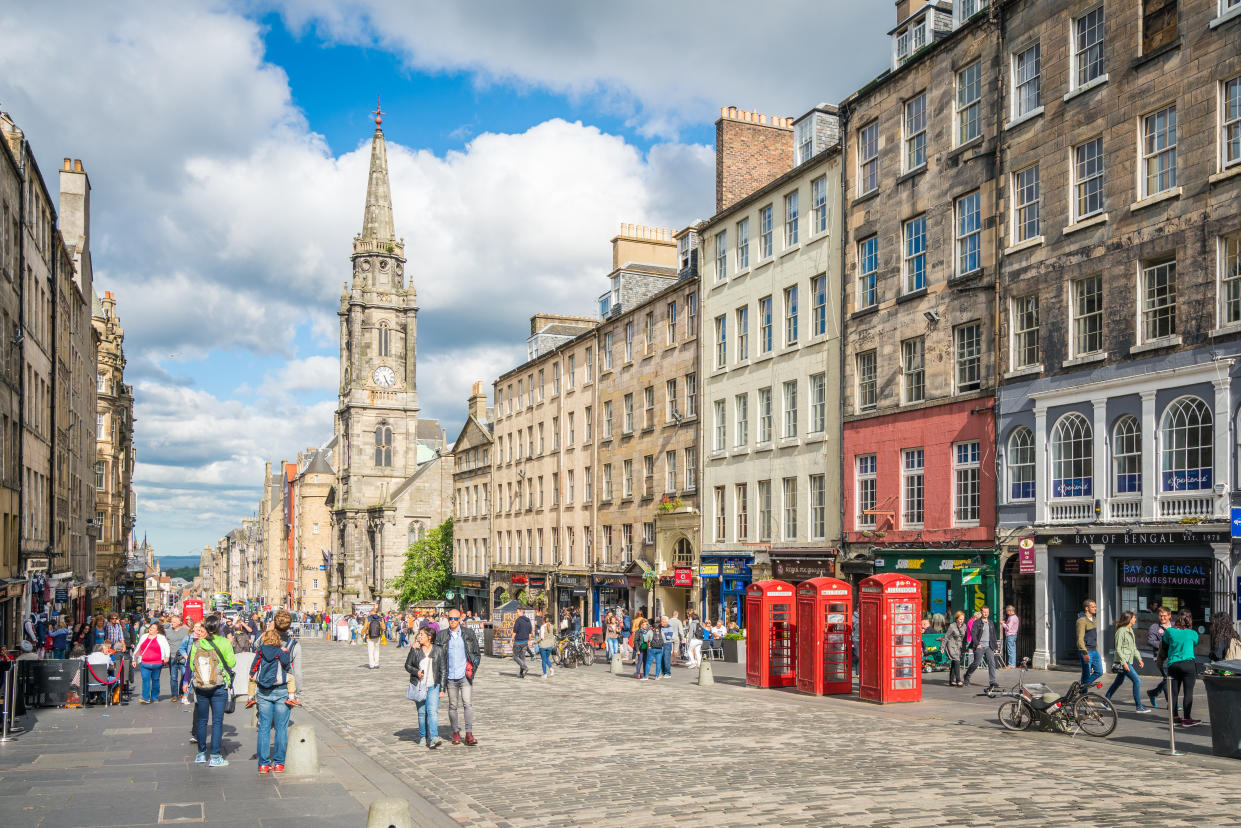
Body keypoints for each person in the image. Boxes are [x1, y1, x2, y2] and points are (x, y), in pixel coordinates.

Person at [189, 616, 237, 767]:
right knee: (217, 722)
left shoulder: (197, 643)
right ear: (218, 628)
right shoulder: (224, 642)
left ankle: (201, 754)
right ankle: (215, 756)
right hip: (219, 686)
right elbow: (232, 663)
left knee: (202, 721)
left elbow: (192, 666)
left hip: (201, 686)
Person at [249, 624, 297, 772]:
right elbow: (286, 663)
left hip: (264, 691)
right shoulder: (280, 650)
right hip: (281, 690)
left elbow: (254, 666)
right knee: (281, 728)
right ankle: (279, 763)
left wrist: (252, 676)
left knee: (264, 727)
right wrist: (284, 651)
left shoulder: (260, 650)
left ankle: (263, 764)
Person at [434, 609, 479, 746]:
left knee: (467, 704)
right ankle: (455, 732)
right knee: (453, 705)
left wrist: (472, 668)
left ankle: (469, 733)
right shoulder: (442, 636)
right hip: (450, 676)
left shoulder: (468, 634)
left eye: (455, 619)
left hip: (465, 676)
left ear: (460, 619)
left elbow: (476, 653)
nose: (452, 621)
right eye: (450, 619)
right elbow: (435, 655)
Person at [405, 627, 444, 749]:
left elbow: (443, 670)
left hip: (433, 685)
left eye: (422, 635)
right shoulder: (416, 649)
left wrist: (442, 688)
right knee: (422, 713)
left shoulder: (438, 650)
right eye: (419, 635)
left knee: (432, 712)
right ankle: (423, 737)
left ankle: (434, 738)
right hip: (420, 686)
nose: (419, 637)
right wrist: (416, 672)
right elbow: (407, 666)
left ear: (429, 637)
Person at [1161, 609, 1201, 727]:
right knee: (1188, 692)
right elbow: (1195, 643)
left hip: (1173, 664)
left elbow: (1165, 642)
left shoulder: (1170, 631)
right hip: (1188, 664)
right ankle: (1187, 718)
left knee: (1174, 692)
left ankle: (1175, 717)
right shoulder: (1193, 633)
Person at [1105, 611, 1150, 712]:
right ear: (1129, 619)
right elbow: (1118, 649)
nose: (1135, 619)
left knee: (1118, 682)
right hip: (1123, 661)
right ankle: (1139, 706)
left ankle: (1105, 701)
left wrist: (1139, 658)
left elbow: (1133, 647)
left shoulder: (1129, 630)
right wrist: (1124, 663)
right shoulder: (1121, 632)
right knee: (1137, 680)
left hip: (1128, 660)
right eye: (1134, 618)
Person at [963, 605, 1000, 690]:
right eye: (984, 612)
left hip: (989, 646)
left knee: (992, 662)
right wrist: (977, 644)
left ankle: (992, 681)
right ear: (981, 612)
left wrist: (995, 647)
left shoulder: (990, 622)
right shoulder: (977, 622)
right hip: (979, 646)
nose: (986, 613)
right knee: (976, 663)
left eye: (987, 612)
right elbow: (973, 634)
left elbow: (993, 635)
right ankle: (967, 675)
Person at [133, 622, 170, 703]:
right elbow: (138, 647)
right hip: (145, 663)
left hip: (157, 663)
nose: (151, 629)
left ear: (157, 631)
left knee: (155, 680)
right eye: (151, 627)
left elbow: (166, 647)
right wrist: (134, 659)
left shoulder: (161, 638)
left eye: (153, 628)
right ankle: (145, 698)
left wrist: (167, 656)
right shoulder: (144, 636)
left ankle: (155, 697)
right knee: (145, 680)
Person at [1146, 605, 1172, 709]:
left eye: (1165, 616)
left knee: (1169, 679)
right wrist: (1164, 644)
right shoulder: (1154, 627)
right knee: (1167, 678)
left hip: (1173, 657)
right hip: (1160, 657)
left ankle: (1153, 693)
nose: (1162, 618)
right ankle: (1170, 703)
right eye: (1161, 616)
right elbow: (1151, 641)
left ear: (1169, 616)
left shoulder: (1174, 626)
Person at [1076, 599, 1102, 686]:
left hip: (1094, 650)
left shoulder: (1094, 619)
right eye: (1093, 607)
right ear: (1087, 608)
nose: (1095, 608)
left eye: (1095, 606)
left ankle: (1082, 687)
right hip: (1086, 651)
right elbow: (1080, 638)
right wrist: (1084, 652)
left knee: (1099, 671)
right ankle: (1084, 697)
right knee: (1086, 674)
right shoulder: (1082, 621)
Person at [165, 616, 189, 701]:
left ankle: (181, 692)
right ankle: (174, 695)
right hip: (172, 656)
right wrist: (166, 656)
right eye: (172, 622)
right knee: (173, 677)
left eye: (174, 622)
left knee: (184, 675)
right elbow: (166, 644)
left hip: (183, 656)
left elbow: (189, 643)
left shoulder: (186, 631)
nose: (172, 623)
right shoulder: (168, 631)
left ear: (180, 622)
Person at [942, 611, 968, 687]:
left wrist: (964, 647)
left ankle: (951, 680)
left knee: (954, 662)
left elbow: (963, 638)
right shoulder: (952, 626)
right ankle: (958, 680)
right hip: (951, 646)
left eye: (963, 619)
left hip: (958, 647)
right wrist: (942, 647)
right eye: (960, 619)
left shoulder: (964, 626)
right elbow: (946, 637)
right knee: (957, 661)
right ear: (956, 619)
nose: (961, 621)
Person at [511, 610, 532, 678]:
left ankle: (525, 667)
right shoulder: (528, 621)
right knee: (522, 657)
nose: (516, 613)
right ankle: (521, 673)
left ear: (521, 612)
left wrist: (511, 640)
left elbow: (515, 631)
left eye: (517, 612)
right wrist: (529, 640)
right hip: (525, 641)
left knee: (515, 656)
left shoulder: (518, 620)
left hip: (518, 641)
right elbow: (530, 632)